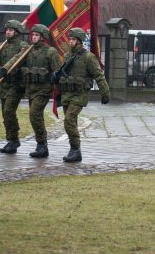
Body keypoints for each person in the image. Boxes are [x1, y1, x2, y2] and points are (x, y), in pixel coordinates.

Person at [52, 27, 110, 162]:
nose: (70, 41)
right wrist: (56, 79)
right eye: (70, 39)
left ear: (80, 41)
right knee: (70, 122)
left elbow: (99, 75)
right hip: (67, 93)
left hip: (80, 94)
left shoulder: (88, 57)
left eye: (73, 39)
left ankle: (75, 150)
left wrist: (105, 93)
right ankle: (74, 150)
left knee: (69, 120)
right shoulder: (67, 56)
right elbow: (62, 75)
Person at [18, 24, 60, 158]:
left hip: (44, 89)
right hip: (31, 89)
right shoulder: (29, 50)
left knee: (34, 114)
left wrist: (55, 76)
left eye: (36, 35)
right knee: (37, 116)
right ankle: (41, 146)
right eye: (33, 35)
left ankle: (42, 144)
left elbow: (57, 70)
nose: (33, 37)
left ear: (42, 37)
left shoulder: (50, 52)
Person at [0, 20, 29, 154]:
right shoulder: (2, 45)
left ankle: (14, 140)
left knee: (9, 110)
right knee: (5, 113)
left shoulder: (23, 45)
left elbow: (18, 58)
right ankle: (10, 140)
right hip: (4, 84)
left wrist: (6, 68)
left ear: (16, 32)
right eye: (7, 30)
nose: (7, 32)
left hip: (16, 84)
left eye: (10, 30)